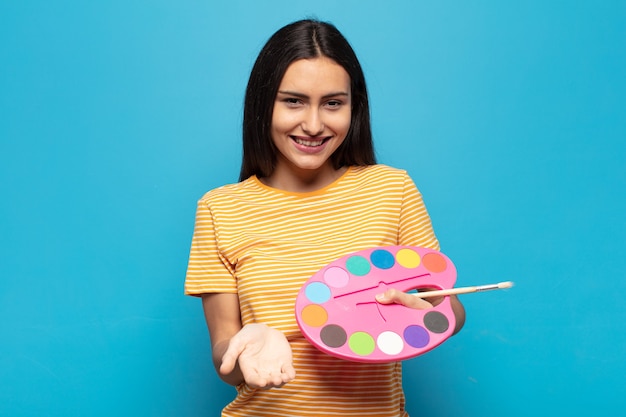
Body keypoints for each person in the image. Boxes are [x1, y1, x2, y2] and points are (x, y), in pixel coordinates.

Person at [185, 19, 465, 417]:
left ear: (355, 107)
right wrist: (246, 347)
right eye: (293, 101)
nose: (314, 125)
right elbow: (224, 356)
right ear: (263, 105)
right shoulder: (220, 208)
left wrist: (428, 315)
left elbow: (450, 309)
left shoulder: (393, 190)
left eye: (333, 103)